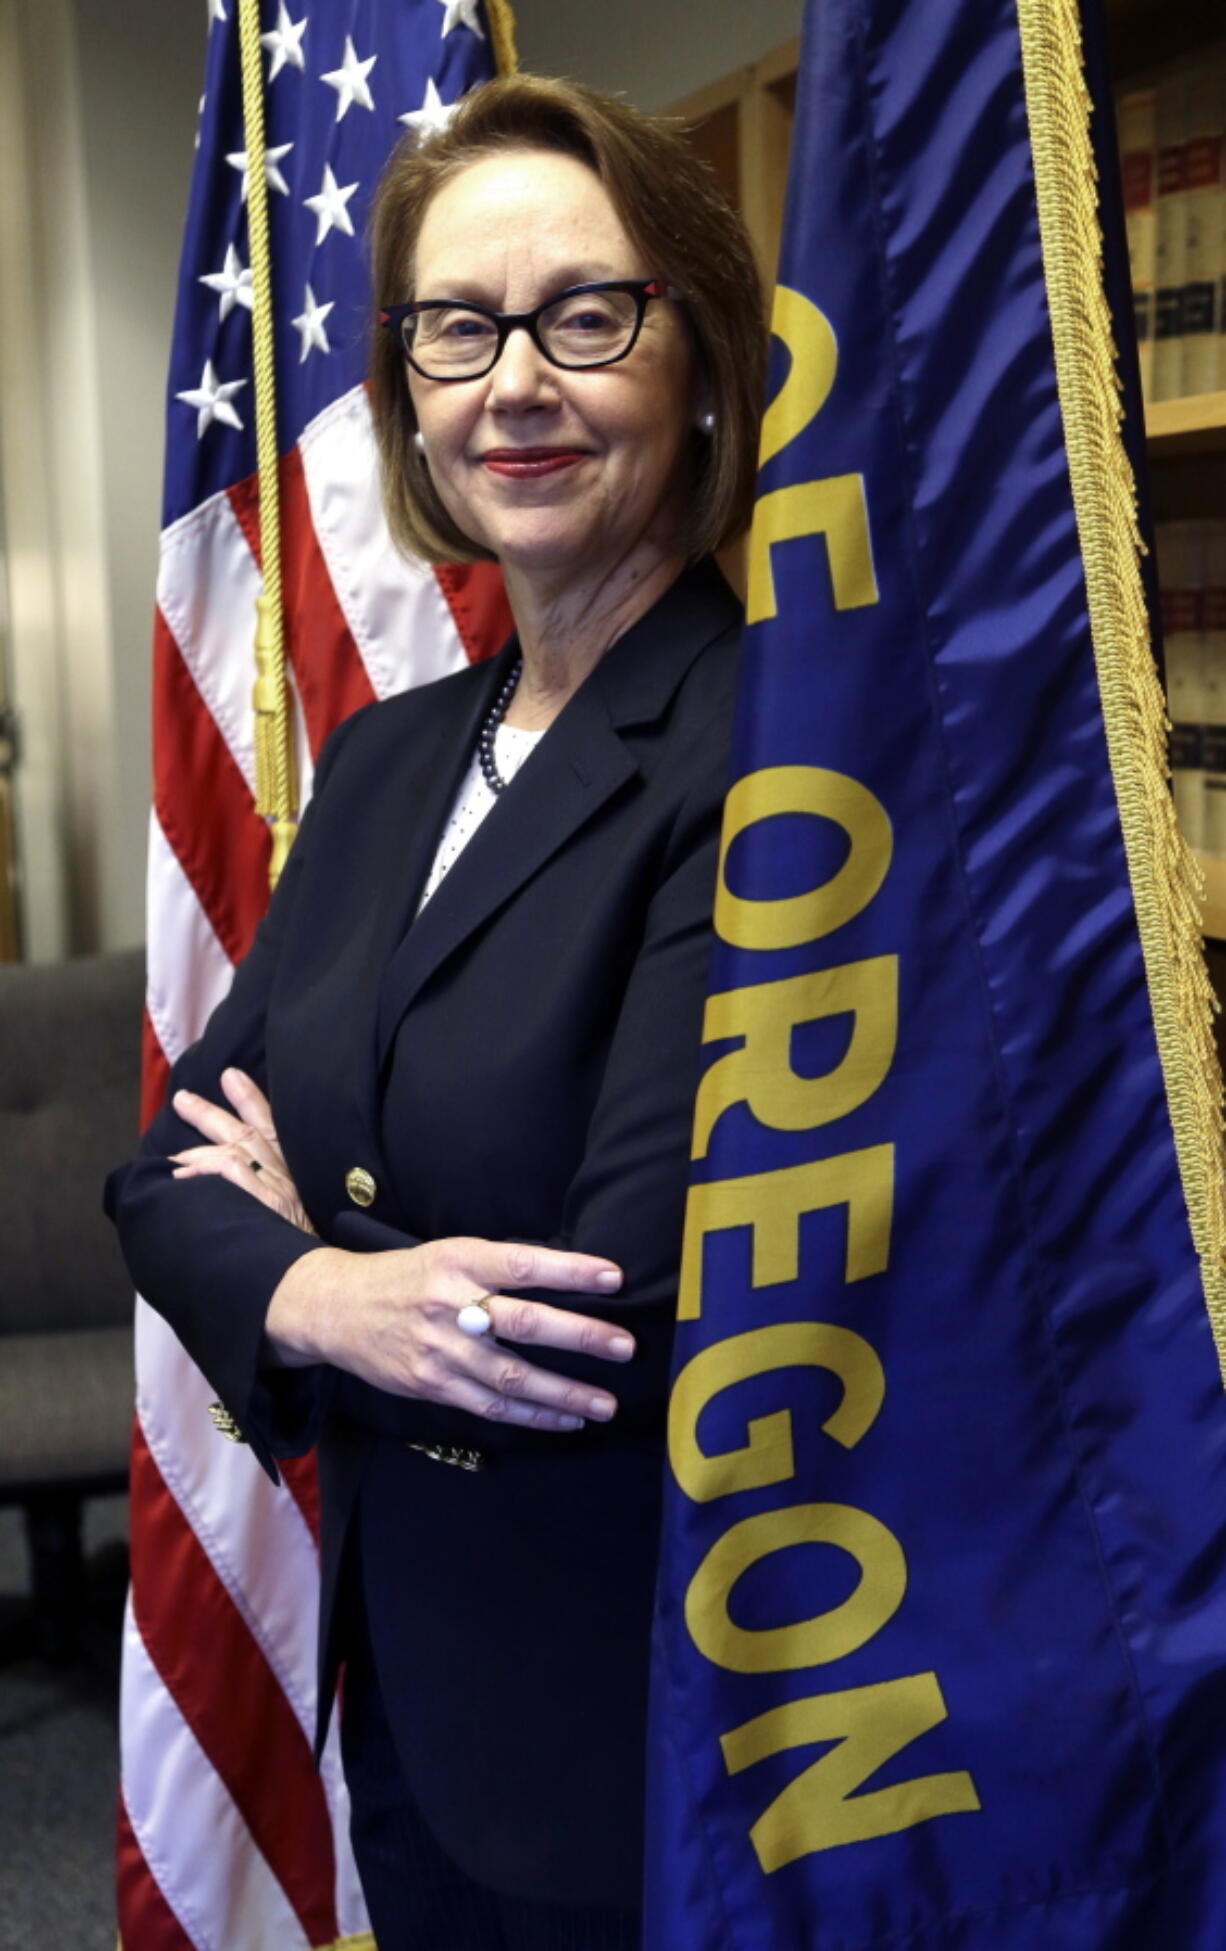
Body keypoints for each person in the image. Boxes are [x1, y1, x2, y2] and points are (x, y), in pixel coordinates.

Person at [107, 73, 767, 1951]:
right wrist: (326, 1292)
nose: (513, 386)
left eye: (586, 315)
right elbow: (165, 1170)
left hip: (641, 1719)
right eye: (456, 330)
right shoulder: (395, 757)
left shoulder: (773, 752)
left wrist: (309, 1230)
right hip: (404, 1679)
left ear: (701, 362)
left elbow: (610, 1306)